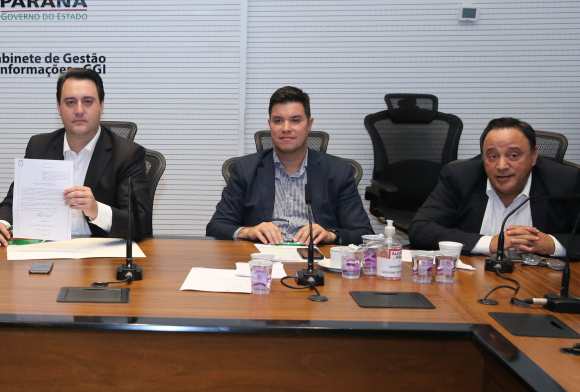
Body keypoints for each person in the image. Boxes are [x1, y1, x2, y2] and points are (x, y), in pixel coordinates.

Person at [0, 68, 149, 246]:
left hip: (98, 253)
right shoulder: (39, 146)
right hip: (46, 248)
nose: (79, 110)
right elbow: (14, 201)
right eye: (70, 102)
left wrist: (96, 210)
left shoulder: (127, 154)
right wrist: (0, 223)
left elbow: (139, 223)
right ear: (59, 107)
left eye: (87, 102)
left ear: (101, 106)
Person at [206, 86, 373, 245]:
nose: (286, 128)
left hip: (314, 258)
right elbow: (216, 227)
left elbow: (363, 233)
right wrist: (248, 231)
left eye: (295, 120)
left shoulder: (338, 171)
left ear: (309, 124)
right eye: (278, 121)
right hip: (263, 258)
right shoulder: (245, 169)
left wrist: (331, 235)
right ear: (270, 124)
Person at [409, 117, 580, 259]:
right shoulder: (460, 177)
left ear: (534, 155)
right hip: (475, 279)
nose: (502, 165)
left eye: (513, 155)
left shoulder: (565, 181)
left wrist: (552, 244)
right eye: (492, 156)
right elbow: (421, 229)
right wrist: (490, 243)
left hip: (542, 281)